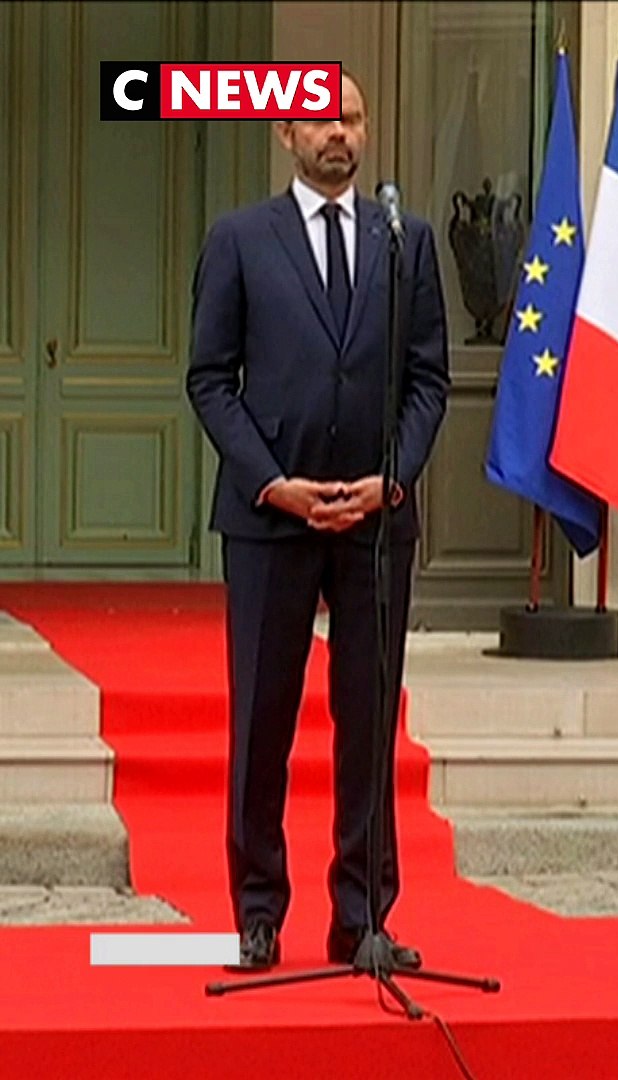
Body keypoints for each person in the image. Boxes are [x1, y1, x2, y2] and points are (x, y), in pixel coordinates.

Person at [187, 70, 450, 971]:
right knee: (264, 717)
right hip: (271, 519)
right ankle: (258, 909)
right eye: (318, 117)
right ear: (284, 134)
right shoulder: (238, 241)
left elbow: (427, 380)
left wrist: (392, 479)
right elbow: (209, 379)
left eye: (351, 116)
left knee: (369, 722)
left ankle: (364, 915)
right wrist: (273, 482)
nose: (337, 131)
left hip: (375, 524)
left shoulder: (403, 240)